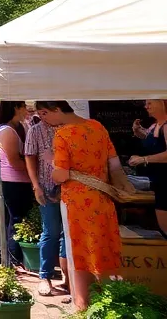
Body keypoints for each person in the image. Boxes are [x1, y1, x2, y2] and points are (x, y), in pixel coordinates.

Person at [43, 100, 138, 311]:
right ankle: (109, 298)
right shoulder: (97, 126)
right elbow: (114, 164)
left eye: (45, 113)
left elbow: (60, 175)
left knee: (78, 249)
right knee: (103, 245)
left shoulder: (63, 135)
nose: (44, 119)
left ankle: (82, 304)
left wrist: (51, 160)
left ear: (57, 110)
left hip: (76, 201)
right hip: (102, 196)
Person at [25, 103, 69, 297]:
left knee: (69, 232)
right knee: (50, 231)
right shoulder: (35, 131)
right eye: (39, 113)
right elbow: (30, 157)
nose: (42, 117)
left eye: (45, 112)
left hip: (70, 186)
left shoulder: (69, 128)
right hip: (47, 186)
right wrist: (36, 185)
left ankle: (68, 276)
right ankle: (45, 275)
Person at [0, 100, 34, 267]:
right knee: (16, 219)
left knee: (20, 218)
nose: (26, 109)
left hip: (22, 180)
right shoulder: (7, 131)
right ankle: (14, 258)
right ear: (15, 108)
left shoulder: (20, 126)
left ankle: (17, 257)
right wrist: (35, 171)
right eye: (23, 106)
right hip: (13, 181)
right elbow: (14, 161)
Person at [130, 98, 167, 238]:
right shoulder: (155, 125)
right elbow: (153, 140)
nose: (146, 106)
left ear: (163, 103)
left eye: (150, 103)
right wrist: (139, 132)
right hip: (158, 182)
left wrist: (144, 159)